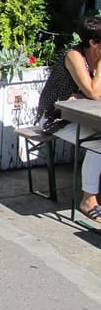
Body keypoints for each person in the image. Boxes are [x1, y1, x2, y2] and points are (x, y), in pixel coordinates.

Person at [36, 16, 101, 222]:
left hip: (80, 115)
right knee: (98, 142)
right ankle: (88, 200)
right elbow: (95, 92)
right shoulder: (74, 56)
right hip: (55, 118)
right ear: (93, 42)